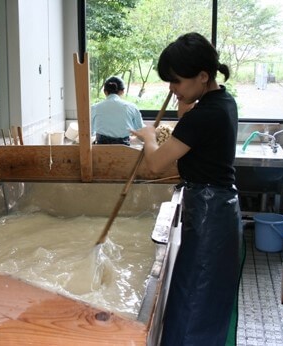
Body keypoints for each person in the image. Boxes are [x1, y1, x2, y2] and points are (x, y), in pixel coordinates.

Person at [132, 32, 241, 345]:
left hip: (209, 214)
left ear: (202, 76)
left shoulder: (205, 115)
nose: (172, 88)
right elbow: (187, 123)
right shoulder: (222, 100)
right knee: (204, 299)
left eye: (177, 81)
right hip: (219, 209)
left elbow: (155, 164)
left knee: (194, 301)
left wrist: (149, 136)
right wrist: (183, 101)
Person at [91, 76, 144, 145]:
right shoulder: (132, 107)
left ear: (105, 92)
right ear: (122, 91)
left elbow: (90, 132)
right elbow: (141, 131)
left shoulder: (95, 108)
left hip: (101, 149)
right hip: (124, 150)